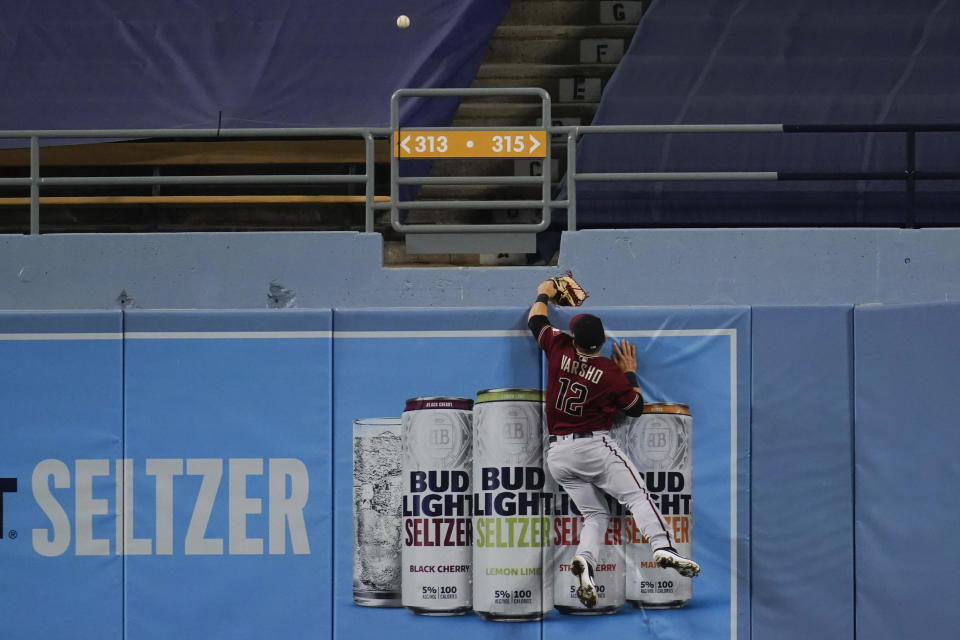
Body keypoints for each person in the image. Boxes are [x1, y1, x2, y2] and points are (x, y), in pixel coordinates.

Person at [528, 279, 700, 608]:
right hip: (592, 447)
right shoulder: (609, 372)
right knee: (636, 495)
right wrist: (631, 373)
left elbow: (536, 320)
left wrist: (545, 292)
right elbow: (634, 410)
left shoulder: (559, 347)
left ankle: (585, 562)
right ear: (604, 341)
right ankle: (662, 546)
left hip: (558, 454)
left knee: (596, 515)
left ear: (575, 337)